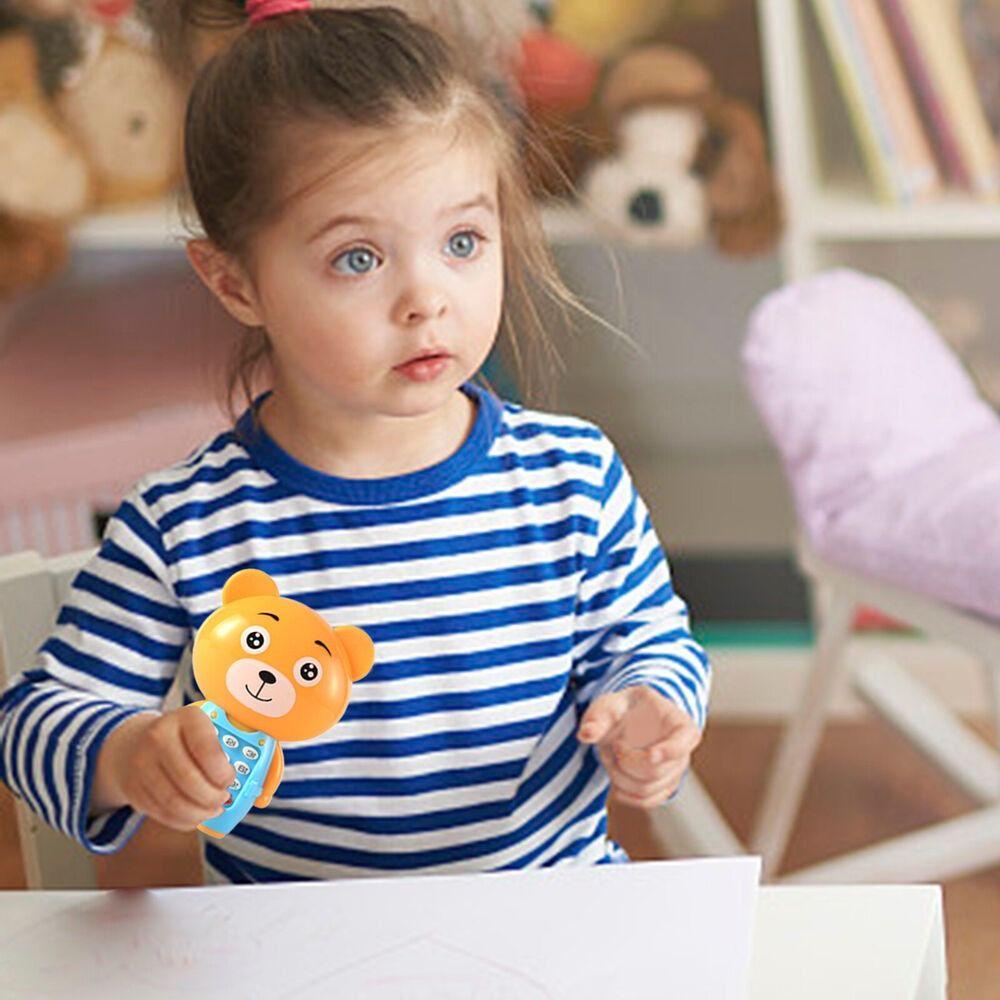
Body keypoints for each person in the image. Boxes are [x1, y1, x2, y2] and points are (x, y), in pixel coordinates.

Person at [0, 0, 710, 884]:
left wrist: (650, 705)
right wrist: (128, 753)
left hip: (543, 918)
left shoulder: (574, 479)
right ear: (235, 282)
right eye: (357, 259)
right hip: (292, 941)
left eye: (462, 241)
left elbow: (651, 645)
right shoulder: (185, 523)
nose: (427, 299)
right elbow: (37, 721)